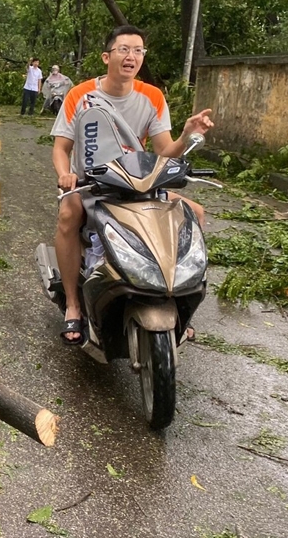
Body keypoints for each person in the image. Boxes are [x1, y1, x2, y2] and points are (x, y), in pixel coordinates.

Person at [50, 25, 214, 344]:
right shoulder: (80, 95)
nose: (132, 56)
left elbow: (163, 151)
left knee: (195, 213)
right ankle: (72, 304)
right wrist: (64, 174)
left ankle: (178, 302)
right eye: (124, 49)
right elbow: (61, 148)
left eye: (138, 50)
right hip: (90, 183)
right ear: (106, 57)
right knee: (69, 215)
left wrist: (185, 135)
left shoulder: (152, 96)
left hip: (138, 182)